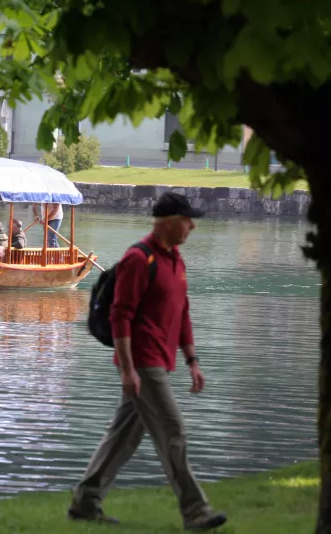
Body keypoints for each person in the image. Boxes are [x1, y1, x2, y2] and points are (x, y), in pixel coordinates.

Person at [67, 192, 227, 531]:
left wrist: (192, 361)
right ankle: (196, 510)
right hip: (142, 362)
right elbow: (120, 316)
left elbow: (182, 313)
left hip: (162, 360)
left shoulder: (176, 261)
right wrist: (127, 369)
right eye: (187, 220)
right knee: (173, 431)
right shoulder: (139, 260)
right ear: (168, 222)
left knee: (123, 436)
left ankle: (85, 502)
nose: (192, 227)